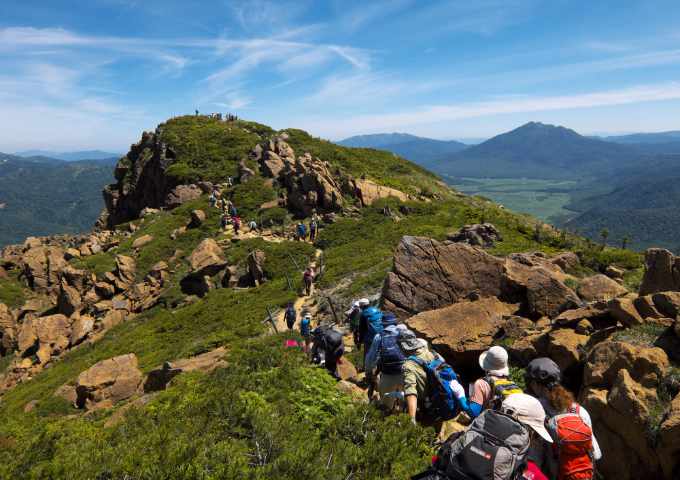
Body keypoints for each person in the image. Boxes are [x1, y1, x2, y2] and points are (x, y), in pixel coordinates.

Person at [525, 358, 602, 480]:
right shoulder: (579, 411)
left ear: (534, 384)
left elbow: (532, 463)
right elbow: (596, 454)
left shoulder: (535, 412)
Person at [500, 393, 553, 480]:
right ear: (526, 432)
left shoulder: (475, 439)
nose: (535, 441)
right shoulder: (530, 471)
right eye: (536, 435)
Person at [468, 345, 522, 418]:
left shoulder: (481, 383)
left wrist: (462, 398)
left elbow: (473, 412)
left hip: (490, 425)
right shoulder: (511, 383)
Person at [364, 313, 405, 410]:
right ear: (395, 322)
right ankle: (405, 420)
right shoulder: (404, 332)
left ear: (383, 324)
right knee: (405, 402)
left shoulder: (379, 336)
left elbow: (370, 358)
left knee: (386, 405)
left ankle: (390, 420)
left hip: (388, 374)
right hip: (406, 373)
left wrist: (368, 372)